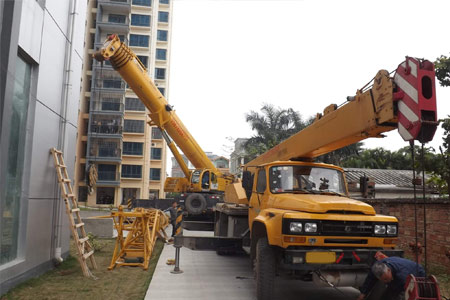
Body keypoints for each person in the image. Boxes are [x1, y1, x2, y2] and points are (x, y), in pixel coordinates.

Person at [357, 256, 426, 300]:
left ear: (389, 270)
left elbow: (396, 293)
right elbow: (370, 280)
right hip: (402, 269)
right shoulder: (377, 267)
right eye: (383, 280)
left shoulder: (401, 276)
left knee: (394, 295)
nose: (386, 281)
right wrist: (363, 294)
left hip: (418, 272)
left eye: (386, 279)